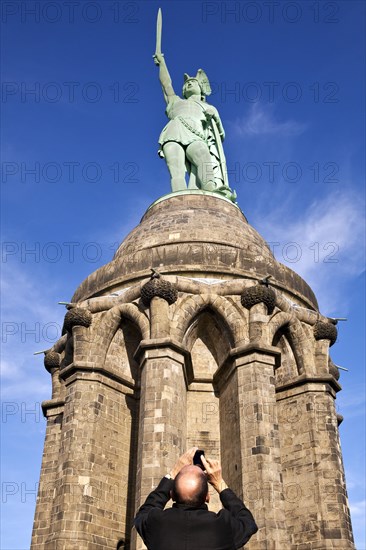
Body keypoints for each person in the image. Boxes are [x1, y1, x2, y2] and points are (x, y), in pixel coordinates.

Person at [134, 448, 258, 550]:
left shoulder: (156, 523)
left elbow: (144, 511)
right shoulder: (222, 526)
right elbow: (248, 522)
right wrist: (220, 484)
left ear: (171, 495)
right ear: (207, 497)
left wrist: (173, 473)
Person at [154, 53, 236, 202]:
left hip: (196, 135)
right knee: (176, 171)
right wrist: (162, 63)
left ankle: (211, 189)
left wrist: (215, 118)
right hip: (173, 132)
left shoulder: (208, 107)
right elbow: (166, 85)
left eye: (193, 82)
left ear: (201, 88)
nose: (188, 84)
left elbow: (221, 134)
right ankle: (179, 201)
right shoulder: (175, 101)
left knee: (203, 159)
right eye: (186, 84)